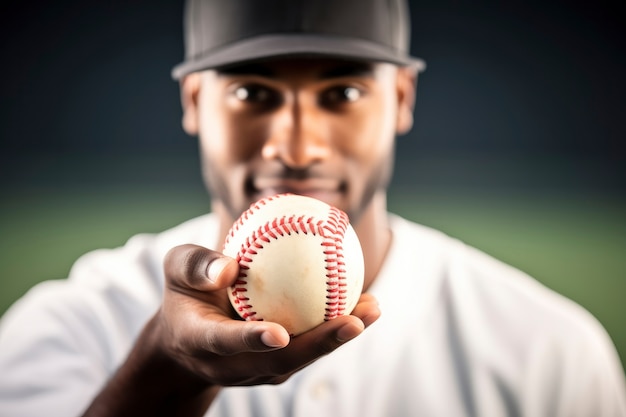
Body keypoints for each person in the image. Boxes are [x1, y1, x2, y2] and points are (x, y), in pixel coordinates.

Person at [0, 0, 625, 415]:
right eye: (252, 90)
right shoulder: (73, 324)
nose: (296, 146)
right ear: (193, 100)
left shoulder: (549, 349)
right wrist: (166, 370)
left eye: (343, 91)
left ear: (402, 98)